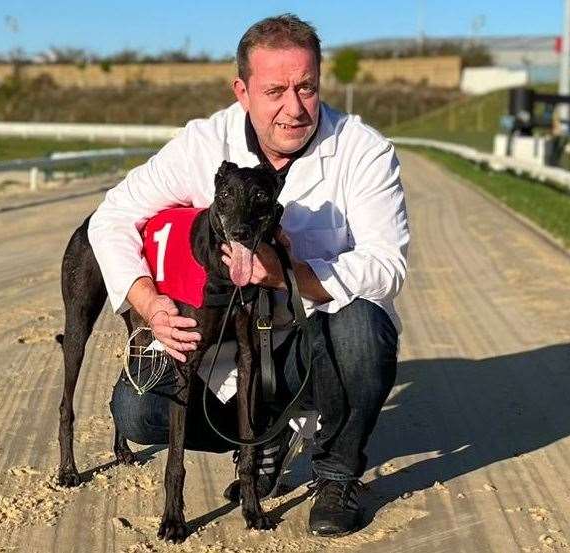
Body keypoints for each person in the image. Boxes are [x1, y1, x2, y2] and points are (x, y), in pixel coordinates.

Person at [87, 13, 409, 536]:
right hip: (231, 350)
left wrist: (287, 275)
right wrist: (148, 304)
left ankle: (336, 473)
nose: (294, 107)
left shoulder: (363, 150)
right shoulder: (202, 143)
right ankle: (262, 433)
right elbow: (113, 217)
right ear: (242, 90)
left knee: (361, 327)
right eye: (275, 90)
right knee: (137, 412)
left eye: (306, 87)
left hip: (313, 340)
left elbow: (386, 266)